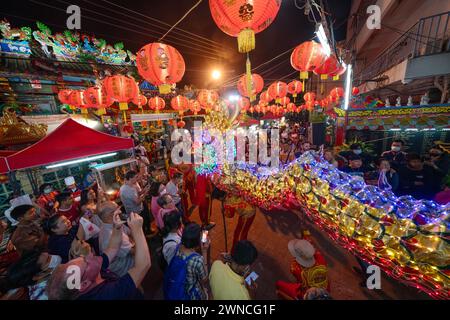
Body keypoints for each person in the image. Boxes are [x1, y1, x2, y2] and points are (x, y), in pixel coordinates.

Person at [47, 212, 151, 300]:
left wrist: (117, 227)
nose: (89, 255)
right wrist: (137, 230)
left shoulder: (92, 271)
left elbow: (113, 248)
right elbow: (143, 265)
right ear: (84, 284)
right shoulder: (107, 295)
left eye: (82, 258)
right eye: (86, 262)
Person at [276, 232, 329, 300]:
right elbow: (310, 246)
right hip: (324, 287)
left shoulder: (295, 268)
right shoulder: (320, 257)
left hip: (304, 293)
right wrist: (306, 233)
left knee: (279, 284)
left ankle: (280, 293)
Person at [164, 223, 209, 300]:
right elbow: (204, 279)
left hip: (178, 285)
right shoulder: (197, 260)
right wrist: (204, 251)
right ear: (197, 242)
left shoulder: (178, 246)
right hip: (191, 295)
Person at [97, 201, 134, 277]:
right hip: (125, 270)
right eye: (117, 209)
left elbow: (129, 232)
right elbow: (134, 251)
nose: (120, 211)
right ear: (110, 215)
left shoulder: (112, 223)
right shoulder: (111, 235)